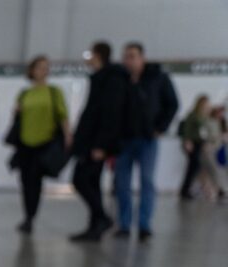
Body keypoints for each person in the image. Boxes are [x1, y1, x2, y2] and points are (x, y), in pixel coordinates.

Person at [114, 42, 178, 242]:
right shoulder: (120, 80)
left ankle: (144, 225)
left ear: (142, 58)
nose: (129, 60)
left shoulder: (158, 78)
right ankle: (124, 224)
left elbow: (172, 104)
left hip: (147, 139)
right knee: (122, 183)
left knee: (147, 181)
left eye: (133, 56)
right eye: (126, 56)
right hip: (123, 140)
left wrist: (160, 128)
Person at [69, 41, 127, 242]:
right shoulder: (102, 78)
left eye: (90, 54)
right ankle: (94, 227)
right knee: (91, 182)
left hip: (96, 142)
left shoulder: (112, 79)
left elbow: (110, 114)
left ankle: (102, 218)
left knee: (80, 179)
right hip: (91, 141)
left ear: (98, 55)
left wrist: (101, 145)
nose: (88, 59)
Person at [10, 55, 71, 234]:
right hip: (24, 143)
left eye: (46, 67)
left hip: (45, 142)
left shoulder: (54, 91)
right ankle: (27, 214)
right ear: (32, 70)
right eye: (40, 67)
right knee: (25, 180)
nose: (44, 70)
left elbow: (63, 115)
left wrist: (68, 135)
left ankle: (31, 217)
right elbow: (17, 118)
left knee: (35, 180)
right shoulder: (25, 93)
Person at [178, 95, 226, 200]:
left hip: (201, 144)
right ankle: (187, 190)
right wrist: (187, 140)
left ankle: (211, 189)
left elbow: (208, 133)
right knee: (195, 167)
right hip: (193, 143)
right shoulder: (193, 115)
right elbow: (186, 130)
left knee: (200, 167)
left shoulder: (206, 116)